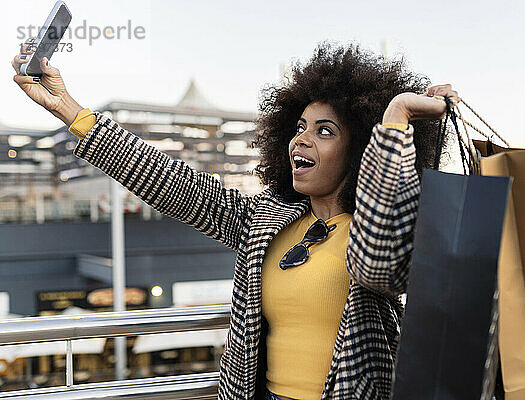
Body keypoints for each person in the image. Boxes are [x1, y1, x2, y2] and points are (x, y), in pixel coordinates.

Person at [12, 41, 459, 400]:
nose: (301, 139)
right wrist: (71, 110)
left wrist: (398, 118)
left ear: (362, 147)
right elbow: (172, 183)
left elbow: (382, 259)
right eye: (300, 126)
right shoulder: (266, 221)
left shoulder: (381, 231)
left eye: (326, 131)